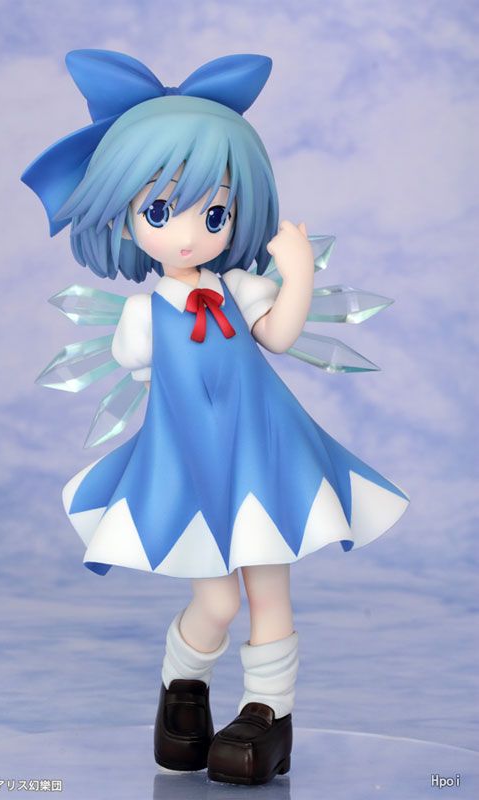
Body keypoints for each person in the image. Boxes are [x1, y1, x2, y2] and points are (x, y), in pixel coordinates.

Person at [21, 50, 409, 786]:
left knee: (268, 584)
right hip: (190, 466)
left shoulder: (240, 289)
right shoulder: (142, 318)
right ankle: (183, 688)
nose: (188, 234)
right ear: (125, 215)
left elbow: (280, 337)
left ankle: (268, 714)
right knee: (216, 596)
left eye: (215, 213)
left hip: (263, 454)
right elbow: (147, 372)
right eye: (159, 211)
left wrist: (297, 272)